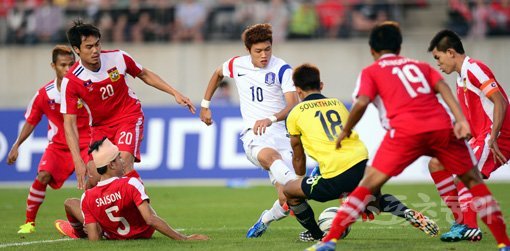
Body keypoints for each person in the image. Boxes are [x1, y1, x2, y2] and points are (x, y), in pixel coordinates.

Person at [306, 21, 510, 251]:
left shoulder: (371, 71)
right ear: (399, 48)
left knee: (368, 184)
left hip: (405, 132)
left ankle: (328, 242)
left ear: (373, 51)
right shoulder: (420, 66)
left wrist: (345, 130)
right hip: (440, 127)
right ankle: (504, 243)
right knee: (472, 182)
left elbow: (362, 102)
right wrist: (460, 120)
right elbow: (443, 88)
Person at [284, 63, 439, 242]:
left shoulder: (294, 114)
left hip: (337, 172)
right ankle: (406, 212)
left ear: (298, 90)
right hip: (364, 163)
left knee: (290, 192)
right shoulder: (338, 103)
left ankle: (317, 234)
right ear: (321, 86)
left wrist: (300, 178)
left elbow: (298, 153)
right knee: (375, 202)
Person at [61, 20, 196, 190]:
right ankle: (86, 213)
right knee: (95, 175)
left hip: (128, 116)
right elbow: (69, 124)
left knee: (122, 163)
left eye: (97, 44)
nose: (95, 50)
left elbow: (144, 74)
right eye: (89, 47)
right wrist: (77, 161)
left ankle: (143, 212)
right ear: (76, 49)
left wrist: (174, 92)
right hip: (100, 127)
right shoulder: (72, 81)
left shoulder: (118, 57)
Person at [199, 23, 299, 238]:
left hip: (280, 134)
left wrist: (271, 119)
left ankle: (264, 219)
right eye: (258, 51)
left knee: (289, 200)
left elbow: (292, 104)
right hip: (255, 135)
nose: (264, 55)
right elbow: (217, 73)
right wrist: (205, 104)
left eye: (268, 49)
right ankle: (303, 185)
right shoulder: (237, 65)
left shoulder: (282, 69)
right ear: (248, 50)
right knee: (271, 158)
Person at [427, 29, 510, 242]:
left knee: (466, 169)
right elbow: (470, 122)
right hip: (481, 136)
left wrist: (493, 136)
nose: (438, 63)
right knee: (436, 164)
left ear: (451, 52)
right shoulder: (460, 79)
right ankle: (461, 221)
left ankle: (470, 227)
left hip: (498, 135)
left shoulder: (475, 68)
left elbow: (500, 101)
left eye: (438, 57)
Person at [54, 138, 209, 241]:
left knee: (69, 203)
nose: (122, 161)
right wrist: (184, 238)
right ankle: (80, 231)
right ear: (111, 165)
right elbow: (150, 219)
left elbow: (94, 240)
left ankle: (78, 233)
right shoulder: (130, 183)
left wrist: (92, 230)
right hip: (144, 233)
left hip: (114, 236)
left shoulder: (87, 197)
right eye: (119, 158)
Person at [7, 45, 90, 234]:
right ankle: (29, 223)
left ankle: (93, 221)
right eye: (63, 65)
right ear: (53, 66)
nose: (68, 69)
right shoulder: (45, 94)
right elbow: (31, 121)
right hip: (59, 147)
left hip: (86, 143)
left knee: (94, 178)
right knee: (42, 175)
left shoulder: (85, 88)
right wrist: (17, 145)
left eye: (71, 64)